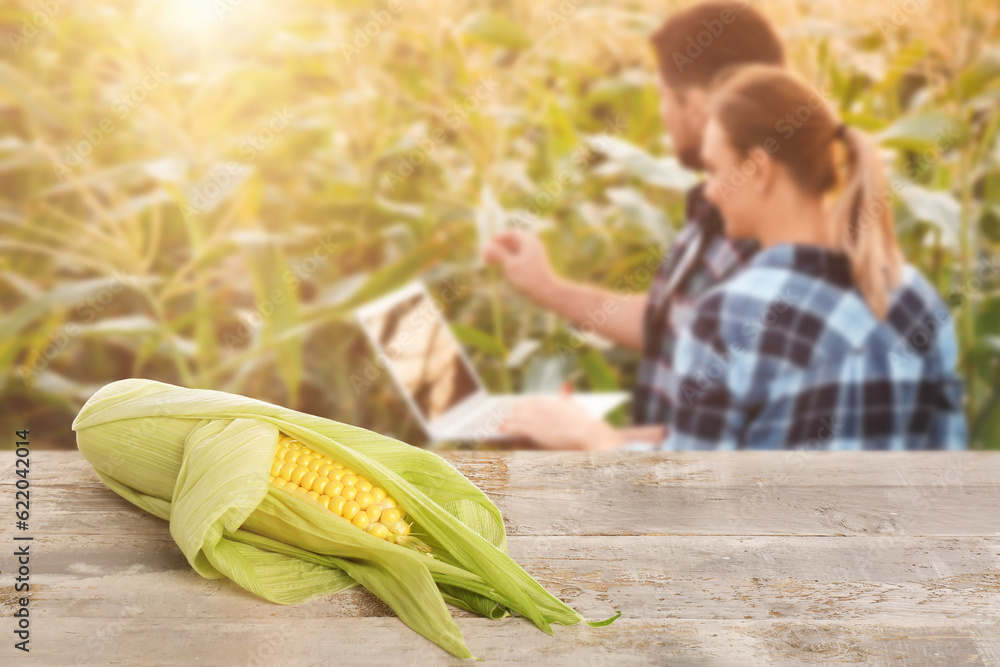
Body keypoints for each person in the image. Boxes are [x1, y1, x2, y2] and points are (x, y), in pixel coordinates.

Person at [485, 2, 785, 450]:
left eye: (665, 96)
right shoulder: (715, 211)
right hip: (652, 481)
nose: (662, 114)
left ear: (699, 109)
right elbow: (670, 324)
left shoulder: (767, 239)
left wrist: (601, 442)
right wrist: (546, 288)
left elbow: (743, 446)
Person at [662, 65, 967, 449]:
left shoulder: (727, 319)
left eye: (713, 169)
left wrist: (596, 442)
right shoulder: (918, 302)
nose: (708, 192)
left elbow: (683, 501)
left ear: (758, 171)